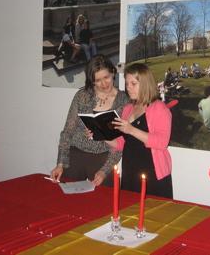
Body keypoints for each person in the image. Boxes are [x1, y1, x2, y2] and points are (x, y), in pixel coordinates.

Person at [50, 55, 129, 186]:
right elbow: (67, 132)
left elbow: (122, 142)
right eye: (97, 80)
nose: (104, 84)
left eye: (106, 77)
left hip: (104, 157)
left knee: (104, 202)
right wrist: (60, 164)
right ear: (91, 81)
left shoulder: (124, 101)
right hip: (75, 154)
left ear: (113, 72)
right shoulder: (82, 96)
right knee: (69, 201)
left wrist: (105, 171)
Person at [112, 63, 173, 198]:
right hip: (130, 170)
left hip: (152, 172)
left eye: (133, 83)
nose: (129, 88)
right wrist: (101, 135)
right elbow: (121, 143)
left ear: (145, 83)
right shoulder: (128, 108)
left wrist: (131, 129)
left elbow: (162, 142)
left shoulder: (159, 108)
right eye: (127, 84)